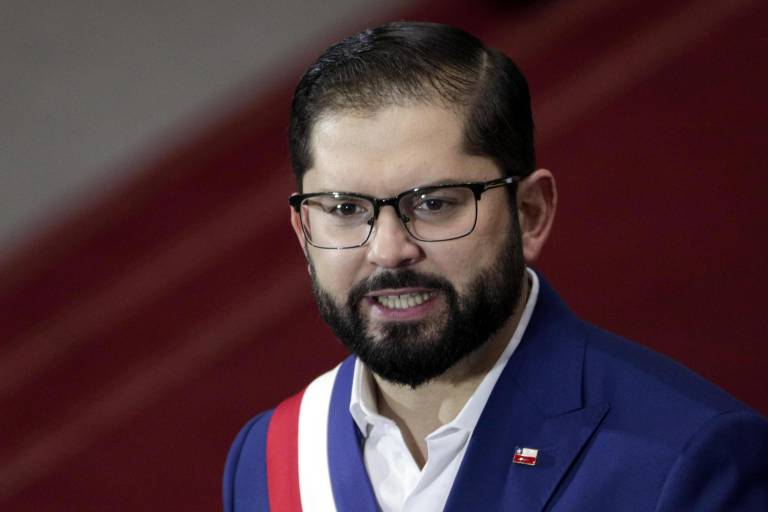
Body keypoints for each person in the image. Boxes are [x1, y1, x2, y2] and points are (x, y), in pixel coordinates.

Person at [223, 21, 768, 511]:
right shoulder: (267, 461)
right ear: (304, 234)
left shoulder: (688, 458)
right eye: (345, 209)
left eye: (434, 203)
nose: (388, 251)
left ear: (530, 213)